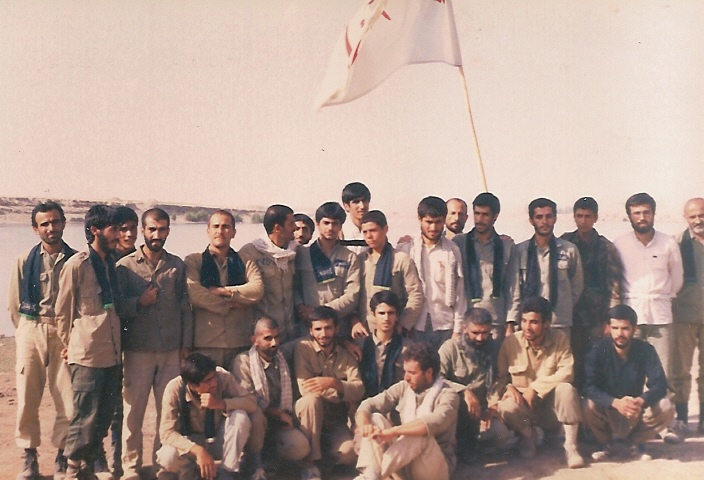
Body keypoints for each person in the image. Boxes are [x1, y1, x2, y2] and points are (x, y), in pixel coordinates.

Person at [115, 208, 193, 480]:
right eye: (151, 229)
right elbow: (117, 308)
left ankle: (163, 465)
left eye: (161, 229)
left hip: (170, 350)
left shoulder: (177, 266)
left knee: (168, 412)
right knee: (133, 413)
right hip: (138, 351)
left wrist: (186, 346)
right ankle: (131, 468)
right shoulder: (125, 267)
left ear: (168, 231)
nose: (156, 235)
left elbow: (185, 308)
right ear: (143, 231)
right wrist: (139, 302)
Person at [9, 201, 76, 480]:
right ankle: (29, 455)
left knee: (68, 400)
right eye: (44, 224)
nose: (51, 228)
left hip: (64, 333)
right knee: (27, 397)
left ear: (64, 223)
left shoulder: (76, 260)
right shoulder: (25, 259)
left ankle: (62, 455)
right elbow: (14, 304)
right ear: (35, 229)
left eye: (55, 222)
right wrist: (26, 331)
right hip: (32, 328)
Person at [55, 205, 122, 479]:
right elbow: (63, 312)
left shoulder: (110, 263)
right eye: (113, 229)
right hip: (87, 355)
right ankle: (72, 471)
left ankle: (87, 469)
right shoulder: (77, 265)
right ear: (95, 230)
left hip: (112, 354)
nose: (118, 235)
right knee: (84, 417)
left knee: (103, 417)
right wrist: (71, 345)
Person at [613, 193, 683, 443]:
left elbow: (677, 279)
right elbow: (616, 279)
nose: (641, 217)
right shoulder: (620, 243)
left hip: (661, 314)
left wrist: (661, 296)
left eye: (646, 212)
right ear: (629, 216)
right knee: (632, 372)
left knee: (663, 372)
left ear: (653, 213)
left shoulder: (668, 243)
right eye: (636, 213)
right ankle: (633, 425)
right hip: (631, 315)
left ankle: (665, 425)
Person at [490, 297, 585, 468]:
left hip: (549, 408)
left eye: (534, 322)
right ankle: (529, 437)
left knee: (567, 390)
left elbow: (567, 372)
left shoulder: (560, 339)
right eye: (524, 321)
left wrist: (535, 388)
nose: (527, 327)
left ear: (546, 323)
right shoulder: (511, 343)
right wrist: (508, 387)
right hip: (524, 409)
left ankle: (571, 447)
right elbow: (500, 378)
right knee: (506, 406)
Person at [353, 342, 460, 480]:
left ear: (429, 372)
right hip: (404, 462)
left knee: (421, 433)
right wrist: (365, 426)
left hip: (433, 467)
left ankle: (373, 476)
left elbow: (433, 422)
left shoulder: (448, 395)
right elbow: (368, 404)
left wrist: (394, 432)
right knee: (375, 419)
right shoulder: (404, 387)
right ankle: (370, 475)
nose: (406, 378)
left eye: (412, 373)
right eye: (405, 372)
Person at [584, 305, 675, 462]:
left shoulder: (645, 350)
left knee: (666, 406)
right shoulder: (597, 350)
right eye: (615, 328)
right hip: (608, 409)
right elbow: (588, 387)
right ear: (608, 328)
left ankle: (636, 443)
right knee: (588, 405)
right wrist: (614, 402)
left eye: (625, 328)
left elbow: (660, 384)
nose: (620, 334)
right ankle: (605, 444)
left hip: (635, 410)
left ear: (634, 328)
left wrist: (641, 401)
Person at [231, 318, 311, 480]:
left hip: (279, 423)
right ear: (254, 340)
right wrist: (277, 413)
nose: (274, 343)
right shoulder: (243, 361)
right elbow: (249, 400)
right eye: (268, 338)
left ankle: (274, 460)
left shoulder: (283, 356)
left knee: (300, 448)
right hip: (257, 422)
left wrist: (346, 342)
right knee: (256, 415)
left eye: (277, 337)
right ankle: (255, 463)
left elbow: (311, 339)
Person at [156, 353, 257, 480]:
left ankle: (227, 473)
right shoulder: (174, 388)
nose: (214, 383)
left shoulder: (223, 377)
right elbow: (166, 433)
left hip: (217, 439)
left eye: (214, 377)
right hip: (190, 444)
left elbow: (251, 403)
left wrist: (221, 403)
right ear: (192, 385)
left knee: (240, 417)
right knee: (167, 455)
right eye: (208, 381)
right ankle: (191, 474)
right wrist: (197, 450)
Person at [185, 210, 264, 369]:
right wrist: (232, 304)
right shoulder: (194, 260)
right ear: (208, 231)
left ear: (234, 232)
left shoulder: (245, 260)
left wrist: (226, 292)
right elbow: (195, 294)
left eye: (226, 227)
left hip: (240, 342)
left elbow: (257, 290)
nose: (220, 231)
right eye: (216, 226)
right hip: (207, 343)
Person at [560, 197, 622, 392]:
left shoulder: (606, 247)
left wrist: (610, 321)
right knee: (571, 364)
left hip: (597, 318)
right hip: (570, 315)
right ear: (574, 217)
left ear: (595, 217)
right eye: (579, 216)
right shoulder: (565, 242)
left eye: (588, 216)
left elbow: (614, 286)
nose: (583, 221)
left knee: (595, 364)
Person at [294, 306, 364, 480]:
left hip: (334, 420)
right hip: (309, 417)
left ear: (336, 329)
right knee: (311, 400)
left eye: (328, 328)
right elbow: (306, 388)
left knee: (348, 453)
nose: (323, 334)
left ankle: (324, 459)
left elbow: (359, 389)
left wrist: (334, 383)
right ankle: (309, 463)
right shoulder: (303, 348)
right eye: (318, 329)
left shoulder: (346, 354)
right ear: (311, 331)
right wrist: (341, 394)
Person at [508, 198, 584, 339]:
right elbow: (515, 290)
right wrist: (512, 321)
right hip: (528, 323)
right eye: (539, 217)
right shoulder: (520, 251)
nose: (544, 222)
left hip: (558, 322)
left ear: (555, 218)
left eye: (548, 216)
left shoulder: (569, 250)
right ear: (531, 220)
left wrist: (563, 306)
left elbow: (577, 287)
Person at [439, 307, 508, 461]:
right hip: (458, 408)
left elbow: (501, 378)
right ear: (464, 328)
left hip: (484, 408)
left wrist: (494, 405)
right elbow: (438, 379)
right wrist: (464, 391)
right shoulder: (450, 348)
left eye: (485, 333)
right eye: (475, 332)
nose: (480, 338)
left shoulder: (496, 348)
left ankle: (477, 446)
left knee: (501, 434)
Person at [397, 196, 466, 351]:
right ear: (419, 219)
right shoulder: (406, 249)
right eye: (428, 222)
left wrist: (457, 330)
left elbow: (460, 294)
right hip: (414, 324)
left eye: (438, 222)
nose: (433, 228)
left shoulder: (452, 251)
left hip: (445, 324)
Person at [453, 192, 517, 341]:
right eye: (477, 214)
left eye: (485, 215)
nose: (479, 219)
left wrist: (510, 323)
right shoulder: (459, 243)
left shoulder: (507, 247)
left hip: (495, 322)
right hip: (467, 321)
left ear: (495, 216)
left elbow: (512, 288)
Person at [352, 210, 423, 340]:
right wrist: (354, 321)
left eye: (373, 230)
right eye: (365, 232)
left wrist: (403, 324)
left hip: (393, 330)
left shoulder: (401, 259)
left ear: (385, 229)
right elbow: (352, 295)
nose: (369, 236)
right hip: (365, 331)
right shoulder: (360, 260)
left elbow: (415, 294)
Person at [295, 202, 360, 340]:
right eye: (326, 223)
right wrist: (300, 307)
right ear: (317, 224)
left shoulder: (349, 257)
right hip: (307, 328)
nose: (330, 228)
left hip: (337, 328)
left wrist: (320, 312)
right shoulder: (302, 253)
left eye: (335, 223)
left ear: (341, 226)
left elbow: (352, 296)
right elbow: (293, 287)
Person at [240, 205, 299, 343]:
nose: (296, 227)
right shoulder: (250, 253)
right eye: (291, 223)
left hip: (291, 333)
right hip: (265, 337)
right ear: (278, 228)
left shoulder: (295, 252)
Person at [109, 205, 139, 476]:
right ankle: (106, 457)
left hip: (133, 342)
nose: (129, 235)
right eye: (123, 229)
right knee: (109, 402)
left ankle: (119, 457)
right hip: (107, 341)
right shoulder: (104, 260)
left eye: (132, 229)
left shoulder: (139, 259)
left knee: (125, 404)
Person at [671, 198, 704, 432]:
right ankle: (681, 417)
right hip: (684, 317)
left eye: (702, 215)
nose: (698, 220)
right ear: (685, 218)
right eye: (693, 216)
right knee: (680, 370)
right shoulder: (676, 243)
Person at [359, 291, 412, 399]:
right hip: (365, 402)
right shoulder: (360, 345)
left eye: (391, 313)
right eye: (381, 313)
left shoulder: (408, 347)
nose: (386, 318)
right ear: (373, 315)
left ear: (397, 316)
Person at [340, 182, 371, 255]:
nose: (362, 206)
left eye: (364, 200)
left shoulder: (375, 229)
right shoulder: (340, 231)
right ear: (346, 206)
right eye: (356, 202)